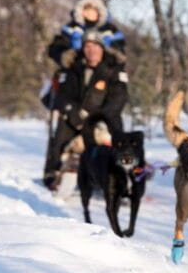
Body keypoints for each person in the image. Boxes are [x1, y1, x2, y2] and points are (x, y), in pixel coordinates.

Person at [42, 30, 129, 190]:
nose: (91, 50)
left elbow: (119, 99)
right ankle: (55, 173)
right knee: (61, 128)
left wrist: (98, 120)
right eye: (87, 46)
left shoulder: (114, 69)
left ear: (102, 48)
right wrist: (77, 118)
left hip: (105, 120)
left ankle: (123, 178)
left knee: (117, 142)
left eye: (95, 46)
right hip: (77, 119)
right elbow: (64, 97)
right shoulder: (72, 68)